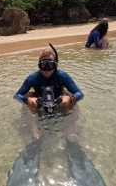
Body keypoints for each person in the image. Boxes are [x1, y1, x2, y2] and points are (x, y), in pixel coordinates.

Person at [7, 44, 105, 186]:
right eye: (43, 65)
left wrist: (69, 99)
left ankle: (69, 136)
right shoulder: (33, 78)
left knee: (75, 105)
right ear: (39, 65)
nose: (47, 69)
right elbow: (17, 95)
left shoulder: (62, 75)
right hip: (39, 101)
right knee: (25, 105)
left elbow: (79, 93)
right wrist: (28, 99)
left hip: (59, 101)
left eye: (50, 64)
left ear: (55, 65)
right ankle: (35, 136)